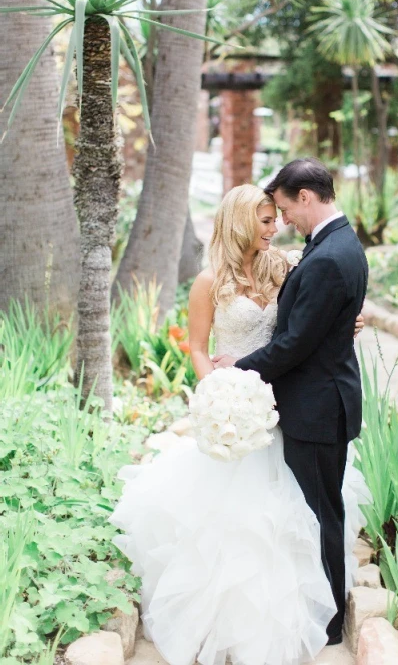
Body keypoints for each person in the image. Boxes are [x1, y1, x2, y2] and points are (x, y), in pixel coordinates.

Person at [110, 178, 370, 665]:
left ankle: (300, 610)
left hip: (282, 406)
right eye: (266, 221)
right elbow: (199, 348)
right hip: (237, 410)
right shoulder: (209, 282)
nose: (276, 228)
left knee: (287, 514)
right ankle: (227, 622)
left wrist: (347, 320)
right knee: (234, 522)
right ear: (239, 223)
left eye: (277, 218)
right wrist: (218, 393)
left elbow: (309, 318)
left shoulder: (284, 269)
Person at [213, 159, 369, 645]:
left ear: (306, 197)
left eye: (284, 209)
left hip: (316, 407)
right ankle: (318, 606)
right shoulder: (335, 245)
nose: (282, 222)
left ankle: (329, 622)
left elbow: (295, 342)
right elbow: (315, 322)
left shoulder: (326, 256)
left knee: (319, 513)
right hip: (315, 400)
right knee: (312, 510)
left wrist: (235, 372)